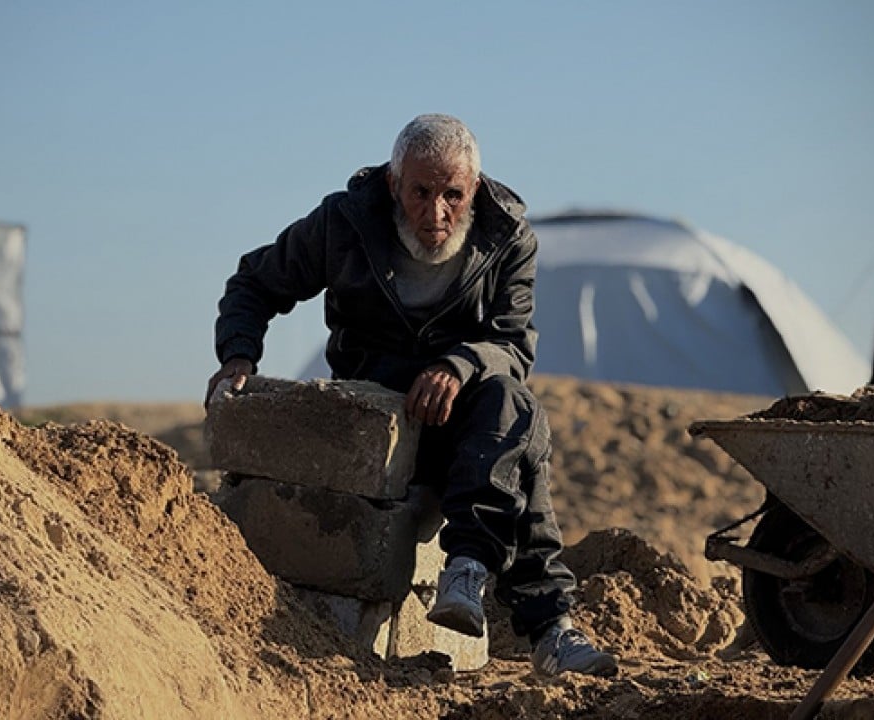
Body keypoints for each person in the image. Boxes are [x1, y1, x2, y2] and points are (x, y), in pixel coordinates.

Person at [207, 114, 617, 678]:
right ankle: (549, 629)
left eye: (453, 194)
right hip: (373, 418)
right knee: (522, 445)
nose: (437, 212)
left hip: (459, 421)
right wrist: (238, 355)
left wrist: (459, 363)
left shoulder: (508, 239)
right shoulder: (344, 222)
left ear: (473, 189)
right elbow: (255, 282)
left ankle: (471, 573)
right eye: (422, 192)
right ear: (394, 184)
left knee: (515, 415)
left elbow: (513, 346)